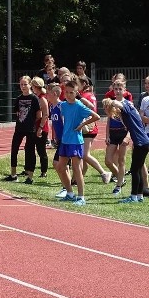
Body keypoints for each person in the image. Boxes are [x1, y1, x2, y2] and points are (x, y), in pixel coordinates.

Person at [53, 78, 99, 206]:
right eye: (66, 92)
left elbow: (96, 116)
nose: (68, 95)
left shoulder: (79, 105)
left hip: (75, 141)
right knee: (61, 167)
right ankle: (69, 193)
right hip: (65, 141)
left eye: (71, 92)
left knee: (76, 169)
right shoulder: (63, 105)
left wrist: (82, 125)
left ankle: (81, 197)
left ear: (76, 92)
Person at [105, 96, 149, 204]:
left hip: (141, 143)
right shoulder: (131, 113)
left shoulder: (128, 109)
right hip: (144, 143)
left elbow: (119, 105)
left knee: (134, 170)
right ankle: (139, 196)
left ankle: (133, 196)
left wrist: (110, 102)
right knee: (138, 170)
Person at [3, 75, 41, 184]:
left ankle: (30, 177)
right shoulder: (18, 99)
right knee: (14, 149)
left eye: (25, 84)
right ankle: (13, 174)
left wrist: (31, 121)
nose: (23, 86)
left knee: (29, 151)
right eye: (21, 84)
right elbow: (17, 112)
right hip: (19, 128)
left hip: (30, 129)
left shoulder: (34, 98)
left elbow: (39, 115)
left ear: (30, 85)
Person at [76, 74, 112, 184]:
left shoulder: (85, 96)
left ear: (83, 84)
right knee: (82, 155)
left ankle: (104, 172)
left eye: (77, 84)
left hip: (88, 126)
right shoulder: (89, 94)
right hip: (88, 125)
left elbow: (90, 109)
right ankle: (78, 177)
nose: (76, 87)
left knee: (85, 155)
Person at [103, 79, 130, 195]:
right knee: (108, 161)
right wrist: (107, 135)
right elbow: (109, 120)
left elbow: (131, 123)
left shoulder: (127, 104)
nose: (118, 91)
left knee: (121, 160)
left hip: (123, 133)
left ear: (124, 90)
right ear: (113, 90)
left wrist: (128, 137)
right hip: (113, 133)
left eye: (120, 89)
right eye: (116, 89)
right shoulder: (111, 103)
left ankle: (118, 185)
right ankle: (121, 177)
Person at [29, 76, 49, 177]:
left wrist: (40, 128)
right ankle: (29, 169)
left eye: (32, 86)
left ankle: (44, 171)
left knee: (41, 150)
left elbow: (45, 114)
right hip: (36, 127)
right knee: (34, 149)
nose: (31, 88)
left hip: (42, 128)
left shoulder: (42, 99)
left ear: (36, 86)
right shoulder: (36, 97)